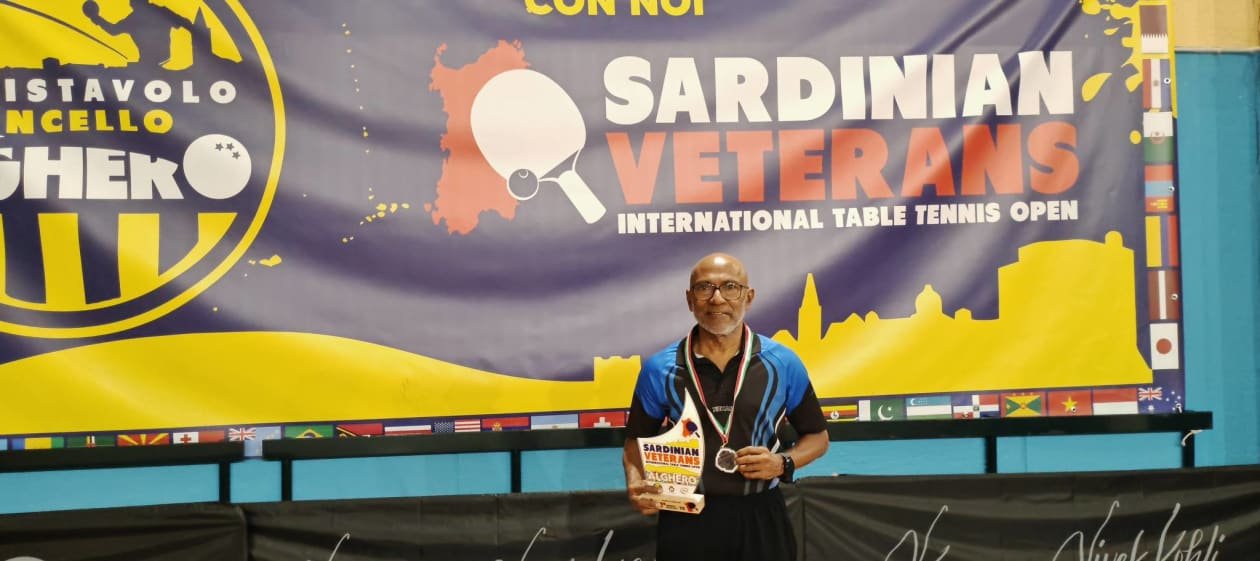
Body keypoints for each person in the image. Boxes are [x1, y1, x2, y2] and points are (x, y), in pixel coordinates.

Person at [622, 252, 830, 561]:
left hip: (761, 516)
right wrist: (636, 481)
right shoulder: (659, 369)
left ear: (749, 296)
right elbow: (635, 442)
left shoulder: (783, 363)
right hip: (686, 518)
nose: (717, 298)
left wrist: (782, 463)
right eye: (704, 288)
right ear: (690, 299)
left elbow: (818, 437)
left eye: (730, 287)